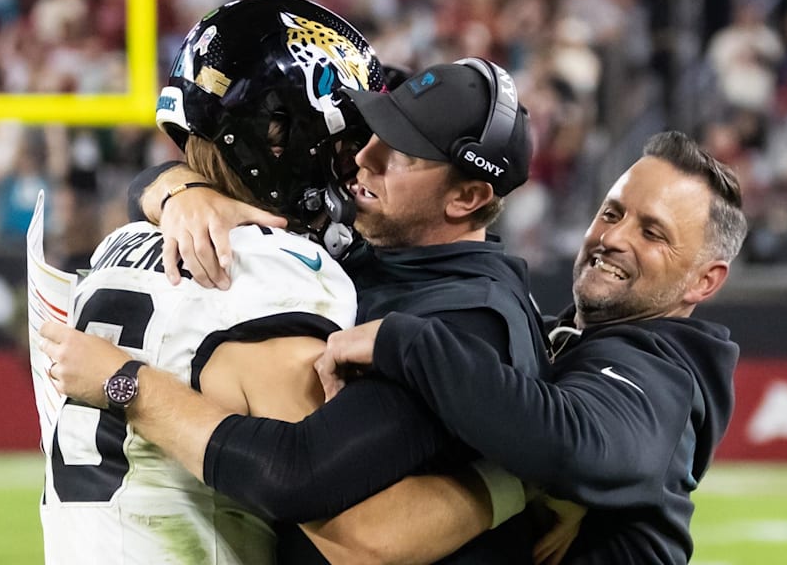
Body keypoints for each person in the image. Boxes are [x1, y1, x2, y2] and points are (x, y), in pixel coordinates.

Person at [41, 56, 567, 563]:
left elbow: (326, 501)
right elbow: (148, 186)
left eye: (402, 153)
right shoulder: (382, 248)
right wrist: (180, 191)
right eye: (374, 134)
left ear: (467, 197)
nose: (364, 159)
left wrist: (127, 383)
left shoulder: (470, 319)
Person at [35, 0, 384, 565]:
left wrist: (175, 187)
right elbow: (347, 527)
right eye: (344, 146)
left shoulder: (119, 244)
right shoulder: (270, 272)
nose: (353, 166)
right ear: (282, 138)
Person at [315, 130, 748, 564]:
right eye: (612, 213)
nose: (613, 238)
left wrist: (404, 341)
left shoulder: (661, 379)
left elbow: (574, 445)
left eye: (653, 233)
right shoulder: (556, 339)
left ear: (704, 280)